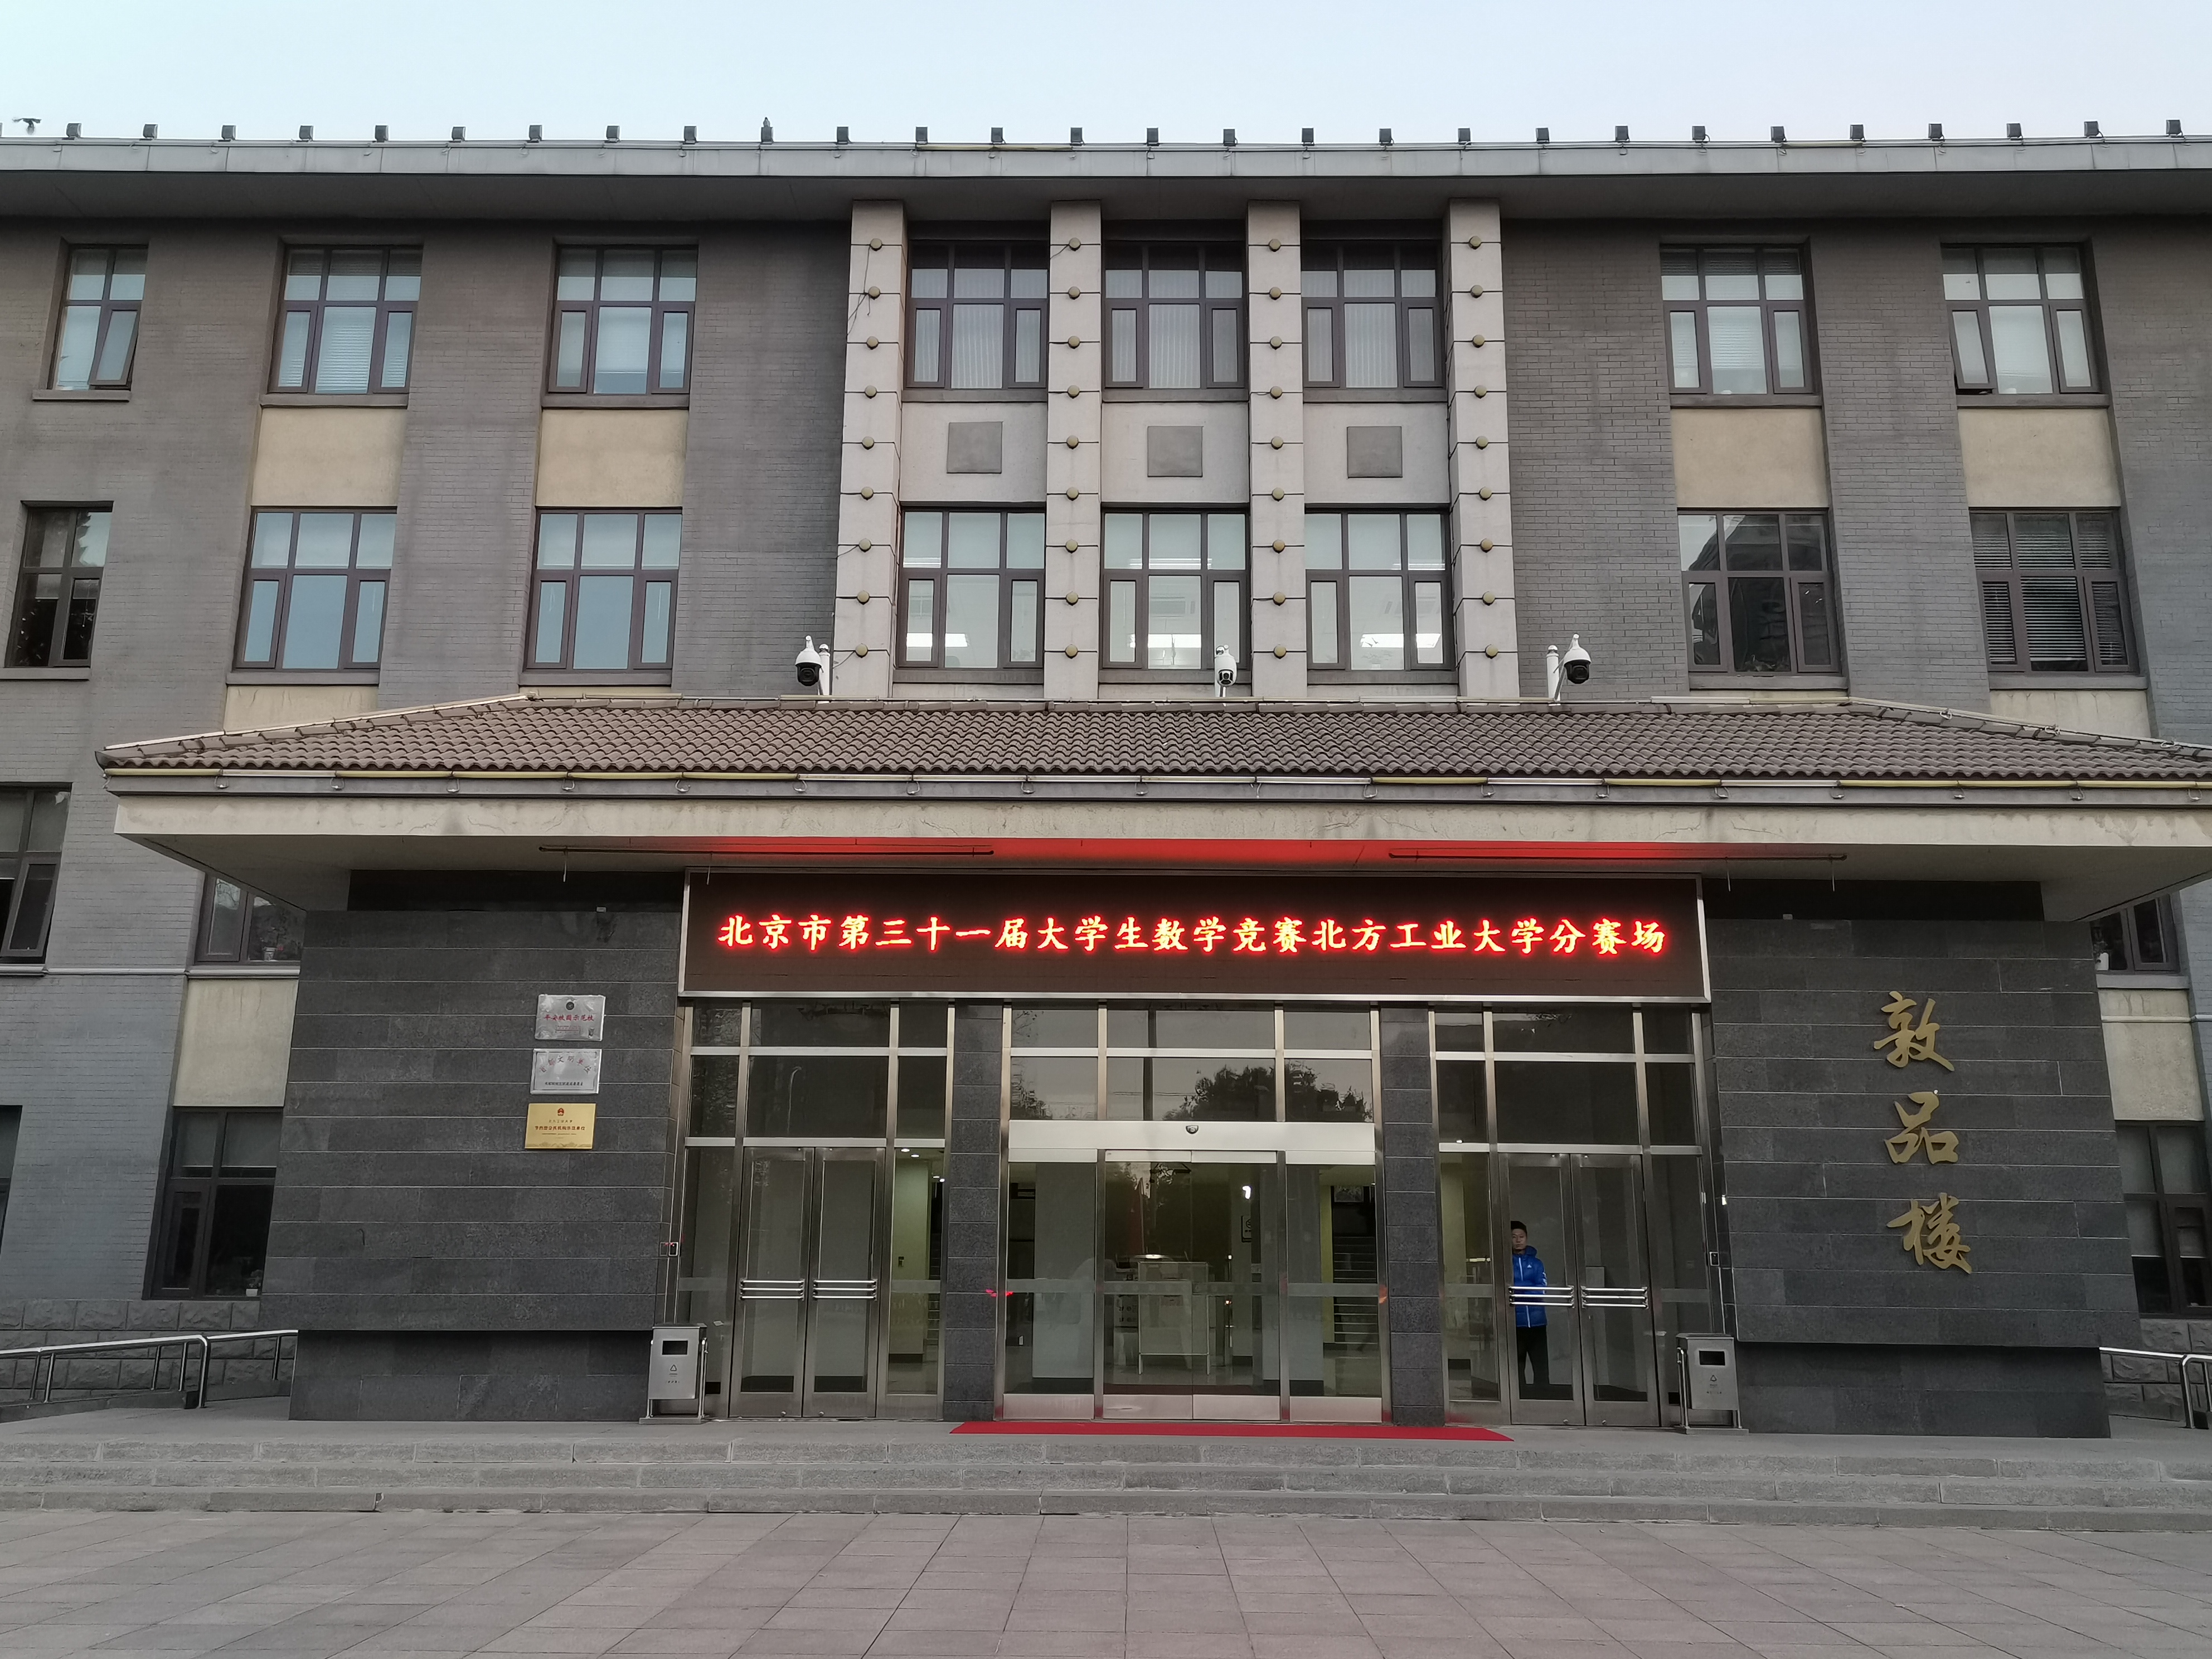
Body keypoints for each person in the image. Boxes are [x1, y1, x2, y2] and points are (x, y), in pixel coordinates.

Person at [1510, 1221, 1551, 1394]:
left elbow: (1541, 1289)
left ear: (1527, 1238)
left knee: (1541, 1364)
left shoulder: (1536, 1263)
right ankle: (1519, 1399)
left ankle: (1543, 1397)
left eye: (1522, 1237)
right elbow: (1506, 1289)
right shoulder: (1505, 1263)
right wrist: (1528, 1287)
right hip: (1515, 1322)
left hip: (1537, 1322)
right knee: (1517, 1365)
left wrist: (1519, 1289)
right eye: (1514, 1237)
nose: (1518, 1240)